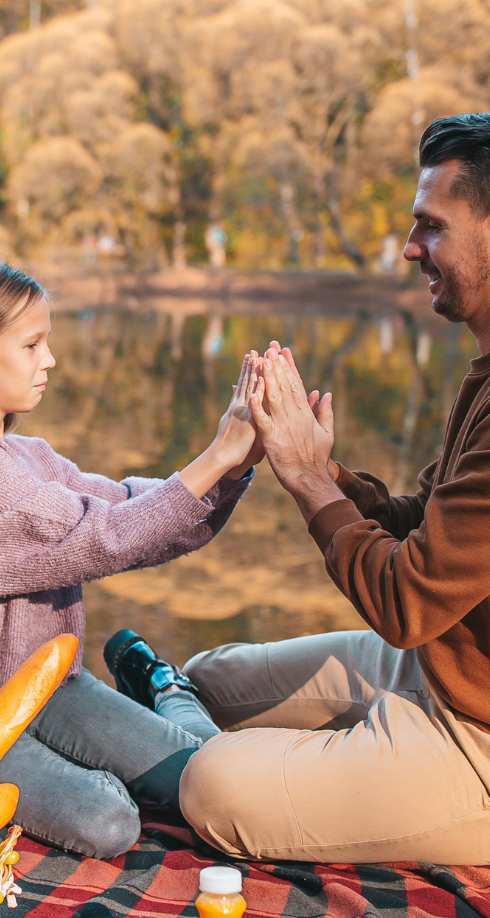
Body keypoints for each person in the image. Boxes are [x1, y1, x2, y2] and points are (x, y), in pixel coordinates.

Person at [180, 113, 490, 865]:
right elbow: (432, 532)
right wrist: (333, 472)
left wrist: (308, 481)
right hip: (436, 668)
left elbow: (406, 600)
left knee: (209, 785)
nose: (412, 247)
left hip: (478, 739)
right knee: (206, 678)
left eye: (431, 226)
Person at [0, 261, 261, 859]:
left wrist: (235, 465)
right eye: (32, 344)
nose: (50, 359)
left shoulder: (29, 455)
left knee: (211, 773)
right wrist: (214, 457)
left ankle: (162, 685)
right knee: (110, 821)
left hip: (51, 687)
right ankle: (136, 725)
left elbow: (137, 513)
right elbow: (100, 536)